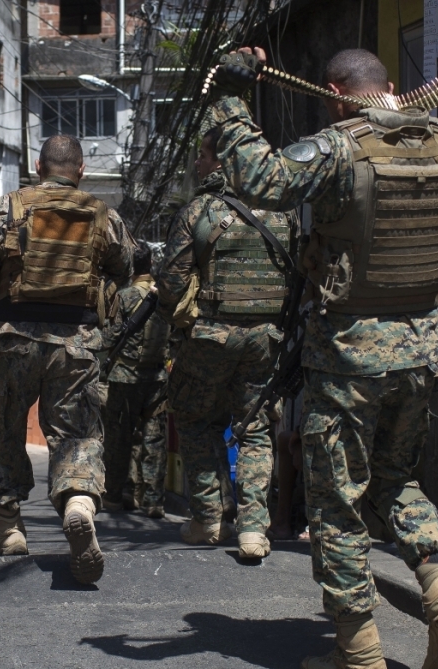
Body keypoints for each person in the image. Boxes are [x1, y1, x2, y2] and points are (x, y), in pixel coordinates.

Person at [205, 7, 438, 667]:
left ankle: (357, 650)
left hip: (346, 359)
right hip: (418, 352)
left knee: (338, 501)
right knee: (397, 481)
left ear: (335, 96)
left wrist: (231, 97)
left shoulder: (337, 148)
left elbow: (258, 178)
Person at [0, 134, 134, 584]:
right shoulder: (103, 215)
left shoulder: (5, 209)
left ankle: (11, 528)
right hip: (77, 342)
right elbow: (126, 269)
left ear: (38, 166)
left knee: (3, 429)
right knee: (77, 434)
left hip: (15, 338)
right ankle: (78, 501)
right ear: (80, 171)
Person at [156, 126, 298, 560]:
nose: (198, 163)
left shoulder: (199, 210)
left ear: (220, 161)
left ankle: (209, 519)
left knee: (196, 420)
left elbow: (170, 283)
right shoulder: (281, 210)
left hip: (210, 337)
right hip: (267, 338)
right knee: (254, 428)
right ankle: (254, 529)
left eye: (203, 155)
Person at [101, 244, 171, 518]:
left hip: (124, 378)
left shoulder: (124, 297)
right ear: (151, 265)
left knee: (120, 439)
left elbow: (108, 338)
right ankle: (154, 500)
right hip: (156, 378)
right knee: (154, 439)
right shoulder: (165, 297)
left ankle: (117, 496)